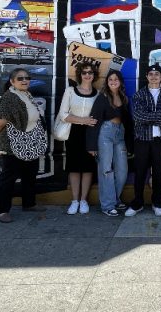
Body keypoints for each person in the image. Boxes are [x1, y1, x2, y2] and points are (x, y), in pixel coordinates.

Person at [0, 68, 43, 223]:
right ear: (12, 81)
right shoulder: (9, 97)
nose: (24, 80)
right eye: (20, 78)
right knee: (8, 177)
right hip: (12, 144)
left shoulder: (26, 94)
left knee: (30, 174)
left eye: (27, 77)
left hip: (29, 141)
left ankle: (28, 204)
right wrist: (0, 134)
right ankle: (3, 211)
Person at [126, 63, 161, 217]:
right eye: (151, 74)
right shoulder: (139, 95)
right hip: (142, 139)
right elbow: (138, 117)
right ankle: (138, 203)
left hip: (159, 139)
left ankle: (157, 202)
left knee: (158, 171)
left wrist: (149, 117)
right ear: (147, 76)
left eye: (157, 74)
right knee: (140, 172)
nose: (154, 77)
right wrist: (157, 115)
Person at [86, 70, 130, 216]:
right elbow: (94, 120)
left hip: (120, 134)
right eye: (110, 79)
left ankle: (115, 199)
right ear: (107, 81)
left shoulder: (123, 97)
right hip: (105, 133)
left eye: (116, 79)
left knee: (122, 171)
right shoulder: (102, 98)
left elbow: (128, 121)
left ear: (120, 81)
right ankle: (107, 205)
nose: (113, 81)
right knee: (106, 170)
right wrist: (92, 145)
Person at [57, 62, 99, 215]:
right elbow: (63, 115)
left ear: (94, 75)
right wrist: (83, 120)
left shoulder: (98, 93)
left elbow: (98, 117)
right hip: (73, 133)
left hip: (91, 134)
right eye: (84, 72)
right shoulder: (70, 91)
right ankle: (74, 200)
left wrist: (89, 122)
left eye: (90, 72)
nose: (87, 75)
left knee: (88, 168)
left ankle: (83, 200)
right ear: (80, 75)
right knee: (74, 167)